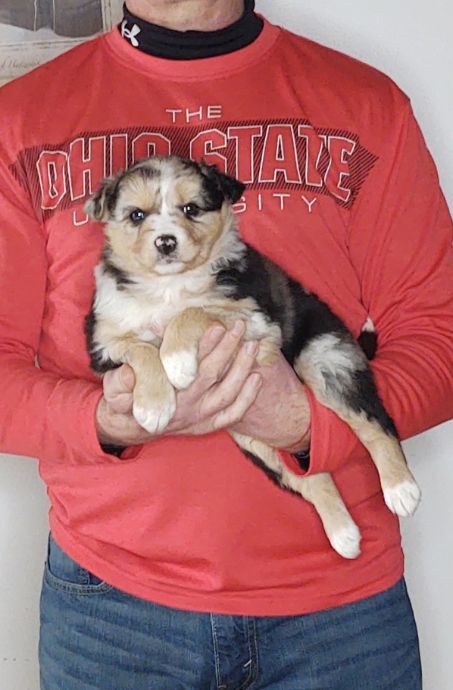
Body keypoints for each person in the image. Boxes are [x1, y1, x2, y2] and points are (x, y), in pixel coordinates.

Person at [0, 1, 452, 687]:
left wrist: (307, 424)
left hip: (339, 614)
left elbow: (439, 336)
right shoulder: (20, 119)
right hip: (111, 613)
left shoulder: (365, 104)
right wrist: (101, 420)